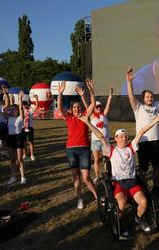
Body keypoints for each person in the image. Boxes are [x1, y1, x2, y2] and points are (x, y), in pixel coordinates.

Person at [78, 112, 159, 235]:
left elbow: (141, 131)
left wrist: (156, 119)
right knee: (121, 203)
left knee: (144, 202)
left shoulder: (131, 147)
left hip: (132, 183)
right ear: (115, 138)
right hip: (119, 184)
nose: (123, 138)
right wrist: (87, 122)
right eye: (120, 136)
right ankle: (119, 223)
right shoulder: (111, 150)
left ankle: (139, 218)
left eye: (125, 136)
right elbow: (100, 136)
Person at [126, 68, 159, 197]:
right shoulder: (138, 107)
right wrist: (129, 82)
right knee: (143, 169)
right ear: (143, 98)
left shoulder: (156, 106)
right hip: (143, 143)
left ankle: (156, 188)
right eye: (147, 97)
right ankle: (142, 190)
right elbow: (131, 96)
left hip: (156, 143)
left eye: (151, 96)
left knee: (157, 167)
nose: (150, 98)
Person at [58, 79, 97, 209]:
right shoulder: (68, 117)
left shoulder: (85, 115)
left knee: (86, 178)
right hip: (71, 150)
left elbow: (92, 103)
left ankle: (97, 196)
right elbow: (59, 107)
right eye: (74, 107)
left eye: (78, 106)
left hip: (85, 149)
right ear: (71, 109)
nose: (77, 108)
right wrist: (60, 93)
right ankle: (79, 199)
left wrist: (90, 92)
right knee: (76, 177)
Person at [90, 87, 113, 182]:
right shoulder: (91, 116)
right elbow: (89, 104)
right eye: (97, 107)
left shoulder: (104, 115)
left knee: (106, 159)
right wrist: (90, 92)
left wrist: (110, 95)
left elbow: (108, 104)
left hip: (105, 141)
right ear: (94, 108)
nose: (99, 108)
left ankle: (107, 175)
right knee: (96, 160)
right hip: (95, 141)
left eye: (100, 106)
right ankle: (97, 176)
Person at [6, 92, 27, 185]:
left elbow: (21, 108)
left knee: (20, 159)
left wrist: (20, 99)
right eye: (11, 109)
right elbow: (5, 109)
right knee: (12, 159)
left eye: (14, 109)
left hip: (18, 138)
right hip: (10, 138)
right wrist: (7, 96)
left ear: (17, 110)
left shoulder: (20, 118)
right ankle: (13, 176)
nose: (12, 111)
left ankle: (23, 177)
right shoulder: (8, 118)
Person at [22, 94, 39, 161]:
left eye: (25, 105)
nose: (24, 106)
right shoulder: (21, 111)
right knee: (24, 142)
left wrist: (36, 99)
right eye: (23, 105)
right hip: (23, 128)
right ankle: (25, 154)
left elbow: (37, 106)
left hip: (30, 127)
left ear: (27, 104)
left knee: (31, 142)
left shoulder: (30, 110)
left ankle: (32, 155)